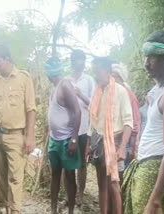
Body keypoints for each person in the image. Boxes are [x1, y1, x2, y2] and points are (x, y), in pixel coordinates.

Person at [122, 30, 164, 214]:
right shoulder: (158, 91)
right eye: (146, 57)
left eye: (152, 58)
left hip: (156, 169)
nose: (146, 63)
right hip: (146, 165)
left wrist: (155, 202)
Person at [0, 45, 36, 214]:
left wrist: (30, 137)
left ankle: (15, 210)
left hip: (16, 135)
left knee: (15, 177)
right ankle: (4, 207)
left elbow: (31, 109)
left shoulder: (23, 78)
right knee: (0, 176)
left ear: (7, 59)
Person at [88, 57, 133, 214]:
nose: (96, 75)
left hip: (114, 141)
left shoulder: (120, 91)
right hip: (98, 140)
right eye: (94, 72)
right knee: (101, 183)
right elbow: (92, 119)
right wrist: (89, 143)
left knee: (114, 184)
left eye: (98, 71)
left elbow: (129, 122)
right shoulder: (97, 91)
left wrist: (122, 148)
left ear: (107, 71)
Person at [45, 56, 82, 214]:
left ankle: (71, 210)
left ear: (50, 73)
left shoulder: (65, 84)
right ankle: (53, 209)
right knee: (55, 174)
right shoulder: (54, 88)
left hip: (67, 139)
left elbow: (77, 110)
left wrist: (74, 138)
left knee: (69, 176)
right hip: (55, 139)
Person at [66, 49, 95, 205]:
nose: (80, 63)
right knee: (68, 162)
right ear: (72, 61)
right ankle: (70, 194)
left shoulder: (89, 80)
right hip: (68, 129)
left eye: (82, 60)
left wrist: (80, 94)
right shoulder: (66, 80)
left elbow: (95, 104)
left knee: (82, 163)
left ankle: (80, 195)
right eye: (77, 60)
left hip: (84, 128)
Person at [111, 63, 140, 168]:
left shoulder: (129, 95)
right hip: (114, 139)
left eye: (113, 76)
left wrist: (131, 147)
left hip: (126, 141)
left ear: (120, 78)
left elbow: (135, 122)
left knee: (123, 173)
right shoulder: (112, 94)